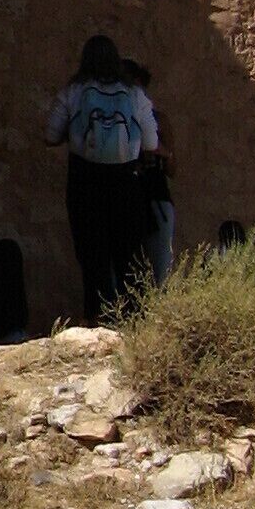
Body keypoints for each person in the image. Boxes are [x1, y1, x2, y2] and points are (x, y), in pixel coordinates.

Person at [45, 36, 157, 322]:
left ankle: (99, 321)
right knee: (130, 256)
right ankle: (134, 321)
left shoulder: (74, 91)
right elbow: (151, 144)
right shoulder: (133, 94)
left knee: (93, 256)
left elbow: (50, 135)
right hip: (126, 182)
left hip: (85, 181)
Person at [123, 58, 177, 284]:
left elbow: (173, 168)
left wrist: (161, 152)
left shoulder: (158, 120)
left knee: (160, 271)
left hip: (155, 198)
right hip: (126, 197)